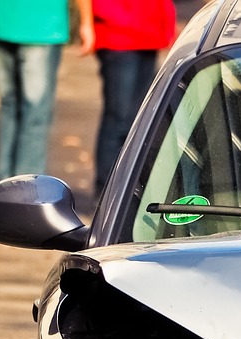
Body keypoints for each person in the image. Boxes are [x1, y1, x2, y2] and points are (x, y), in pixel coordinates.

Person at [0, 0, 91, 182]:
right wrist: (87, 21)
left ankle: (2, 187)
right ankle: (25, 191)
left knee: (9, 106)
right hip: (41, 24)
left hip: (0, 18)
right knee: (35, 113)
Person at [84, 0, 178, 196]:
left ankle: (126, 192)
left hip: (149, 31)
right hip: (116, 32)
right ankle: (106, 192)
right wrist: (87, 23)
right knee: (118, 118)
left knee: (139, 121)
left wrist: (167, 22)